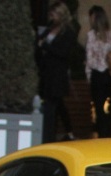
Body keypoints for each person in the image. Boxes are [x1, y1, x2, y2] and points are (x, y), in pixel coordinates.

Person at [36, 1, 76, 143]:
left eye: (53, 14)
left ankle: (48, 138)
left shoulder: (68, 32)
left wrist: (46, 45)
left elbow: (63, 53)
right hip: (46, 73)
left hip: (57, 75)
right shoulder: (50, 28)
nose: (51, 17)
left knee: (52, 107)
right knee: (53, 106)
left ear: (61, 14)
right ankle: (53, 134)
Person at [85, 6, 111, 138]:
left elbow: (89, 58)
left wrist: (88, 74)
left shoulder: (91, 35)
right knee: (105, 106)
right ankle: (106, 132)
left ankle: (101, 133)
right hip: (108, 74)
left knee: (98, 107)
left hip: (97, 75)